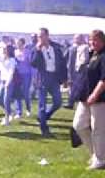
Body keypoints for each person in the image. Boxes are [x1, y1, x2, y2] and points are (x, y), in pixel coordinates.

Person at [73, 30, 105, 170]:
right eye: (91, 40)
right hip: (85, 97)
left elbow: (104, 79)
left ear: (102, 41)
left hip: (99, 99)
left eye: (96, 40)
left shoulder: (103, 56)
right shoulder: (92, 54)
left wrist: (94, 95)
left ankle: (100, 159)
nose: (93, 42)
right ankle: (96, 154)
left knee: (98, 129)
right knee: (78, 125)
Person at [31, 28, 67, 137]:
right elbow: (33, 63)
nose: (40, 38)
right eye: (38, 36)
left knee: (58, 102)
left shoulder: (56, 48)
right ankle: (44, 128)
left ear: (47, 36)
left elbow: (62, 64)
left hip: (54, 78)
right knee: (42, 105)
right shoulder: (35, 49)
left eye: (41, 36)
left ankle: (45, 116)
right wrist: (37, 50)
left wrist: (65, 79)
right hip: (42, 77)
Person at [63, 34, 88, 109]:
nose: (78, 40)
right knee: (73, 87)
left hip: (81, 71)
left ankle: (72, 102)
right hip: (72, 70)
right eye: (76, 38)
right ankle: (71, 102)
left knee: (77, 87)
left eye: (79, 38)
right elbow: (65, 58)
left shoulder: (85, 48)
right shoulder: (71, 48)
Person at [0, 45, 17, 126]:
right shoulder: (2, 59)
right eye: (3, 49)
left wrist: (8, 82)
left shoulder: (12, 60)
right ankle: (11, 112)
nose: (3, 50)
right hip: (2, 81)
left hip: (9, 81)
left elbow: (12, 71)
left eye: (5, 49)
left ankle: (6, 119)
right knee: (1, 99)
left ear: (9, 50)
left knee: (6, 100)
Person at [14, 38, 32, 118]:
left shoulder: (27, 52)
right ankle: (19, 112)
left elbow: (31, 64)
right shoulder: (15, 52)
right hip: (17, 75)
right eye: (17, 43)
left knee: (25, 93)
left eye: (19, 43)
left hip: (26, 74)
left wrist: (34, 75)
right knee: (17, 93)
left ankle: (28, 109)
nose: (18, 44)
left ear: (23, 43)